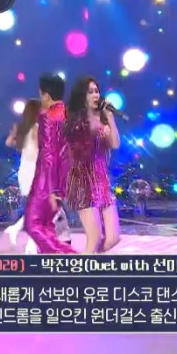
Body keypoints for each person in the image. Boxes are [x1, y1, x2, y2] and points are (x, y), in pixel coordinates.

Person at [4, 99, 71, 254]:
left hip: (24, 171)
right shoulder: (36, 128)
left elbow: (9, 143)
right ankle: (31, 242)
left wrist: (15, 135)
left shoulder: (23, 129)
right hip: (35, 171)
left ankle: (21, 233)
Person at [64, 76, 121, 253]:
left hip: (101, 180)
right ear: (82, 96)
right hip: (82, 180)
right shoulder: (75, 121)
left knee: (113, 238)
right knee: (94, 237)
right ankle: (85, 268)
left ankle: (90, 262)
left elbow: (115, 144)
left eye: (97, 91)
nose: (96, 95)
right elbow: (78, 146)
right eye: (91, 92)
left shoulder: (102, 118)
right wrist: (97, 127)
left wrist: (109, 117)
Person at [22, 75, 77, 254]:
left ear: (46, 95)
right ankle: (52, 264)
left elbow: (49, 155)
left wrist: (53, 189)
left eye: (41, 95)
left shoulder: (48, 118)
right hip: (61, 179)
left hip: (46, 182)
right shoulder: (68, 115)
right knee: (46, 225)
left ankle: (71, 258)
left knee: (33, 224)